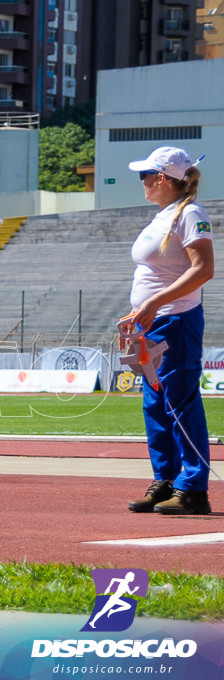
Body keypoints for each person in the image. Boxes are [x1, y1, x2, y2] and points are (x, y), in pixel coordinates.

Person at [124, 146, 214, 515]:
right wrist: (136, 313)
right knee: (155, 404)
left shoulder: (190, 213)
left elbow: (204, 269)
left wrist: (155, 303)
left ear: (162, 178)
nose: (142, 182)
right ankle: (166, 480)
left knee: (179, 402)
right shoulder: (162, 216)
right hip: (152, 321)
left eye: (145, 175)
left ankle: (193, 489)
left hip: (177, 320)